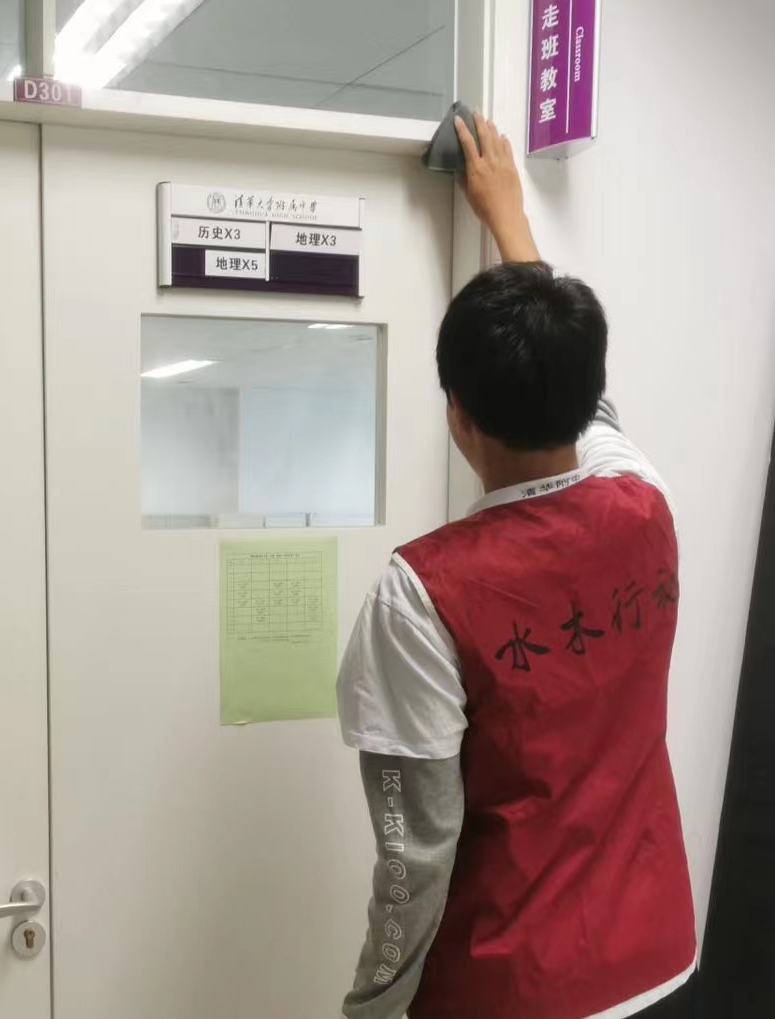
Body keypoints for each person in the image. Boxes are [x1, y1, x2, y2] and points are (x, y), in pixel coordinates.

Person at [336, 114, 696, 1019]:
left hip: (513, 991)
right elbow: (584, 397)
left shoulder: (423, 596)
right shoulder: (644, 500)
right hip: (656, 961)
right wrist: (510, 220)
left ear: (456, 414)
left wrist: (372, 1007)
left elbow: (412, 854)